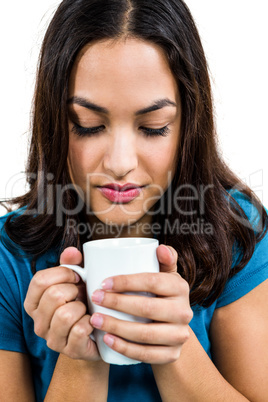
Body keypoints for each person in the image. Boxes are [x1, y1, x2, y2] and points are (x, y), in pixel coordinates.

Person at [0, 0, 267, 400]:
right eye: (89, 126)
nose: (121, 164)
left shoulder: (237, 231)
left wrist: (172, 346)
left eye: (153, 127)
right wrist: (81, 355)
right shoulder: (10, 256)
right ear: (55, 123)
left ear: (187, 128)